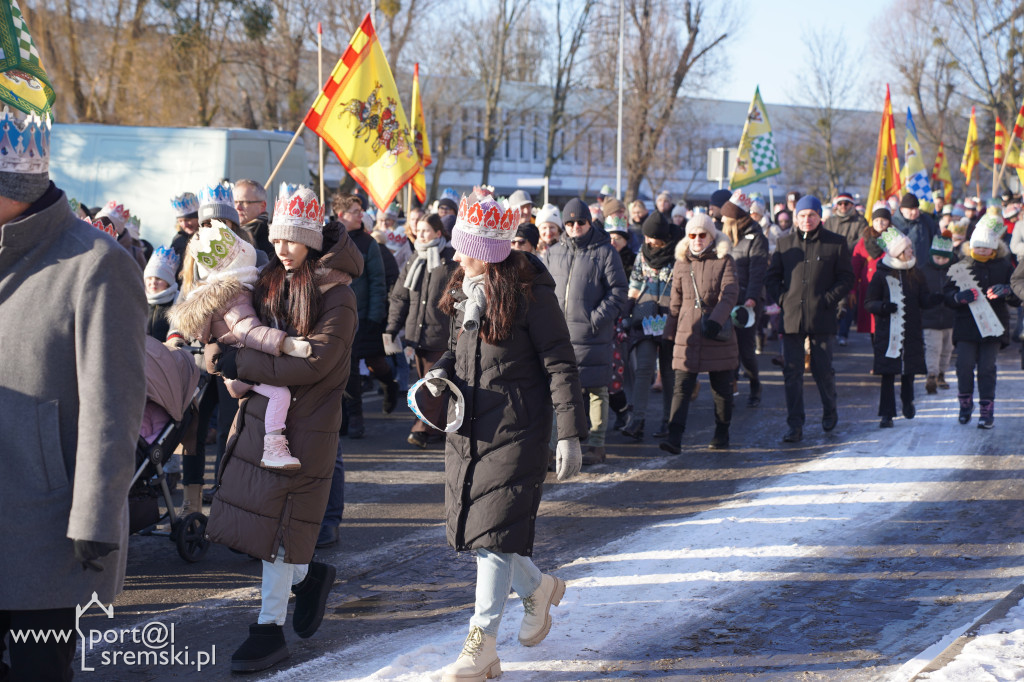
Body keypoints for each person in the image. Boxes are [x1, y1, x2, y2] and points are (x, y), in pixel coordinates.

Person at [0, 105, 147, 681]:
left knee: (38, 671)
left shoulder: (96, 265)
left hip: (44, 529)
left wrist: (96, 517)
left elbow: (112, 406)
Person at [424, 191, 587, 681]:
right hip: (470, 430)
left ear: (485, 251)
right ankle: (538, 589)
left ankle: (481, 645)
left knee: (493, 537)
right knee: (485, 534)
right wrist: (439, 372)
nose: (456, 256)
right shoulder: (466, 289)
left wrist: (569, 434)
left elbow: (561, 364)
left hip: (518, 430)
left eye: (463, 247)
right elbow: (456, 350)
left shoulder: (531, 295)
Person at [204, 185, 362, 672]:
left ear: (311, 239)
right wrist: (217, 345)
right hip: (261, 416)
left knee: (279, 526)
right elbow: (241, 325)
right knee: (263, 520)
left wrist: (241, 363)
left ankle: (268, 628)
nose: (281, 248)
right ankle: (308, 579)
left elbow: (315, 362)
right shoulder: (271, 278)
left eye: (291, 239)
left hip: (307, 426)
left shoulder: (339, 295)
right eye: (276, 239)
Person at [169, 219, 315, 478]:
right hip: (243, 364)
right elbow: (247, 330)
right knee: (279, 395)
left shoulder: (236, 288)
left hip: (242, 363)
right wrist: (285, 343)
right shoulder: (234, 294)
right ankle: (273, 448)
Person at [764, 195, 854, 443]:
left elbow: (846, 278)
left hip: (821, 317)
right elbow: (772, 278)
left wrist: (827, 299)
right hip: (792, 318)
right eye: (802, 216)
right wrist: (783, 299)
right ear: (796, 218)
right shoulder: (784, 244)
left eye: (811, 215)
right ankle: (795, 424)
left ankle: (830, 409)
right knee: (792, 373)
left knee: (822, 369)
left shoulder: (835, 243)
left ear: (819, 217)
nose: (806, 220)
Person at [544, 198, 627, 464]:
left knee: (596, 390)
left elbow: (618, 291)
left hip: (593, 335)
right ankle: (554, 447)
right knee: (560, 391)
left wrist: (595, 319)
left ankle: (597, 445)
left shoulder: (605, 252)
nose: (575, 226)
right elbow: (543, 291)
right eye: (570, 222)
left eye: (580, 221)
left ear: (589, 223)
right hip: (560, 334)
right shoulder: (553, 252)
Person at [659, 213, 738, 453]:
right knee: (681, 387)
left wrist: (716, 320)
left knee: (721, 389)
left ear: (711, 236)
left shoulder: (725, 260)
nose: (697, 239)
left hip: (716, 332)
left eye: (702, 235)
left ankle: (722, 432)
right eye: (692, 235)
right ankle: (674, 438)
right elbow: (675, 301)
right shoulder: (681, 262)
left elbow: (730, 294)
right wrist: (668, 335)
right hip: (688, 332)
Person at [386, 213, 458, 448]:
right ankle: (438, 429)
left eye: (426, 230)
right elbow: (400, 297)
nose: (421, 235)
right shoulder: (415, 258)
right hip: (416, 335)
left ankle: (421, 429)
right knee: (427, 384)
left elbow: (458, 298)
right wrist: (392, 328)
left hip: (441, 335)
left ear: (438, 233)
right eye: (418, 230)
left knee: (431, 384)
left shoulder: (450, 260)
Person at [333, 193, 399, 438]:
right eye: (355, 211)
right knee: (341, 368)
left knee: (367, 365)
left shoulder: (368, 243)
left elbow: (377, 282)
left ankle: (383, 391)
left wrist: (374, 317)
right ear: (341, 214)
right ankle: (347, 417)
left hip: (362, 316)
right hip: (335, 316)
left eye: (361, 211)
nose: (361, 215)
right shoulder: (328, 238)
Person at [864, 228, 936, 427]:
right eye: (908, 248)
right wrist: (883, 307)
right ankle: (886, 414)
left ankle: (907, 401)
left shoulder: (916, 273)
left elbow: (924, 299)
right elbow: (869, 302)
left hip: (911, 329)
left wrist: (935, 299)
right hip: (888, 331)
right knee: (888, 374)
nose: (912, 251)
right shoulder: (881, 275)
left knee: (908, 370)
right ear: (898, 253)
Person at [951, 216, 1018, 428]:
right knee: (964, 365)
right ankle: (965, 404)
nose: (981, 250)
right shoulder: (960, 265)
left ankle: (986, 411)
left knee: (987, 368)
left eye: (986, 247)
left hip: (993, 326)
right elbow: (947, 294)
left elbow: (1017, 295)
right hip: (966, 325)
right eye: (977, 246)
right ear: (971, 246)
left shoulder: (1004, 266)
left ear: (994, 248)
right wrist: (958, 297)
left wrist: (1006, 291)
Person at [621, 211, 678, 441]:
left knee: (668, 370)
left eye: (651, 237)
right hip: (645, 317)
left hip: (669, 316)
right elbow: (635, 282)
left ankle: (669, 420)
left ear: (662, 238)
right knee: (644, 367)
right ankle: (638, 420)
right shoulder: (642, 255)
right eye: (645, 237)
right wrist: (629, 305)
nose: (648, 241)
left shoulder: (677, 255)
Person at [720, 190, 769, 406]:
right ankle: (730, 385)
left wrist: (751, 298)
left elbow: (758, 272)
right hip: (727, 298)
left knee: (745, 348)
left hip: (747, 301)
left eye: (726, 217)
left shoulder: (757, 238)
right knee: (726, 345)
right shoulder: (724, 238)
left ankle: (755, 383)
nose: (722, 220)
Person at [825, 192, 868, 346]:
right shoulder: (830, 221)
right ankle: (832, 329)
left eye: (846, 203)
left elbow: (862, 241)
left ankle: (843, 333)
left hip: (851, 264)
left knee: (849, 299)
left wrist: (841, 247)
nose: (843, 206)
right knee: (832, 298)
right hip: (831, 265)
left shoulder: (860, 222)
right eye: (840, 203)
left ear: (852, 205)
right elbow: (825, 239)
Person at [921, 232, 956, 394]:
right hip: (930, 316)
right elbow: (920, 294)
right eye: (937, 258)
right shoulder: (924, 271)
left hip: (950, 317)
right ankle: (932, 374)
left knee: (947, 348)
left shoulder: (955, 271)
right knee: (933, 348)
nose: (941, 261)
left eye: (944, 258)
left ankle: (941, 373)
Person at [852, 204, 891, 336]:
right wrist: (852, 290)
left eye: (883, 220)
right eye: (876, 220)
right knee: (873, 325)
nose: (879, 223)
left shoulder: (895, 238)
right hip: (869, 286)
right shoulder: (865, 240)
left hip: (890, 285)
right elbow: (855, 266)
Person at [144, 245, 180, 341]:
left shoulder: (178, 300)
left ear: (168, 282)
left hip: (167, 348)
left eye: (158, 279)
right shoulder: (139, 299)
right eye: (149, 278)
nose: (153, 282)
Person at [233, 178, 274, 259]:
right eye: (235, 202)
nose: (237, 207)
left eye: (244, 202)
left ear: (262, 206)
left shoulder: (271, 239)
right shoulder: (228, 234)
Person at [170, 191, 200, 277]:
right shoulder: (178, 240)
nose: (184, 225)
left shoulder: (207, 236)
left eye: (188, 220)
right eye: (180, 221)